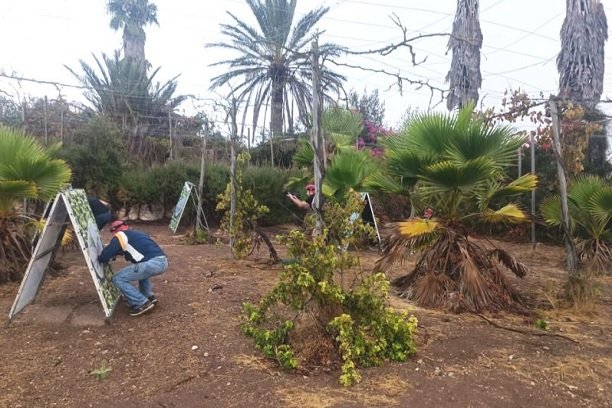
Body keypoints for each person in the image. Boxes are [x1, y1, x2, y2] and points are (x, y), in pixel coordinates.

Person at [98, 220, 168, 317]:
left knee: (118, 278)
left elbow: (105, 256)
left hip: (151, 263)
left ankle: (141, 303)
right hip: (163, 261)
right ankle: (148, 296)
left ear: (115, 230)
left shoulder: (120, 236)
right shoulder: (137, 233)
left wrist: (99, 257)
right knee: (141, 271)